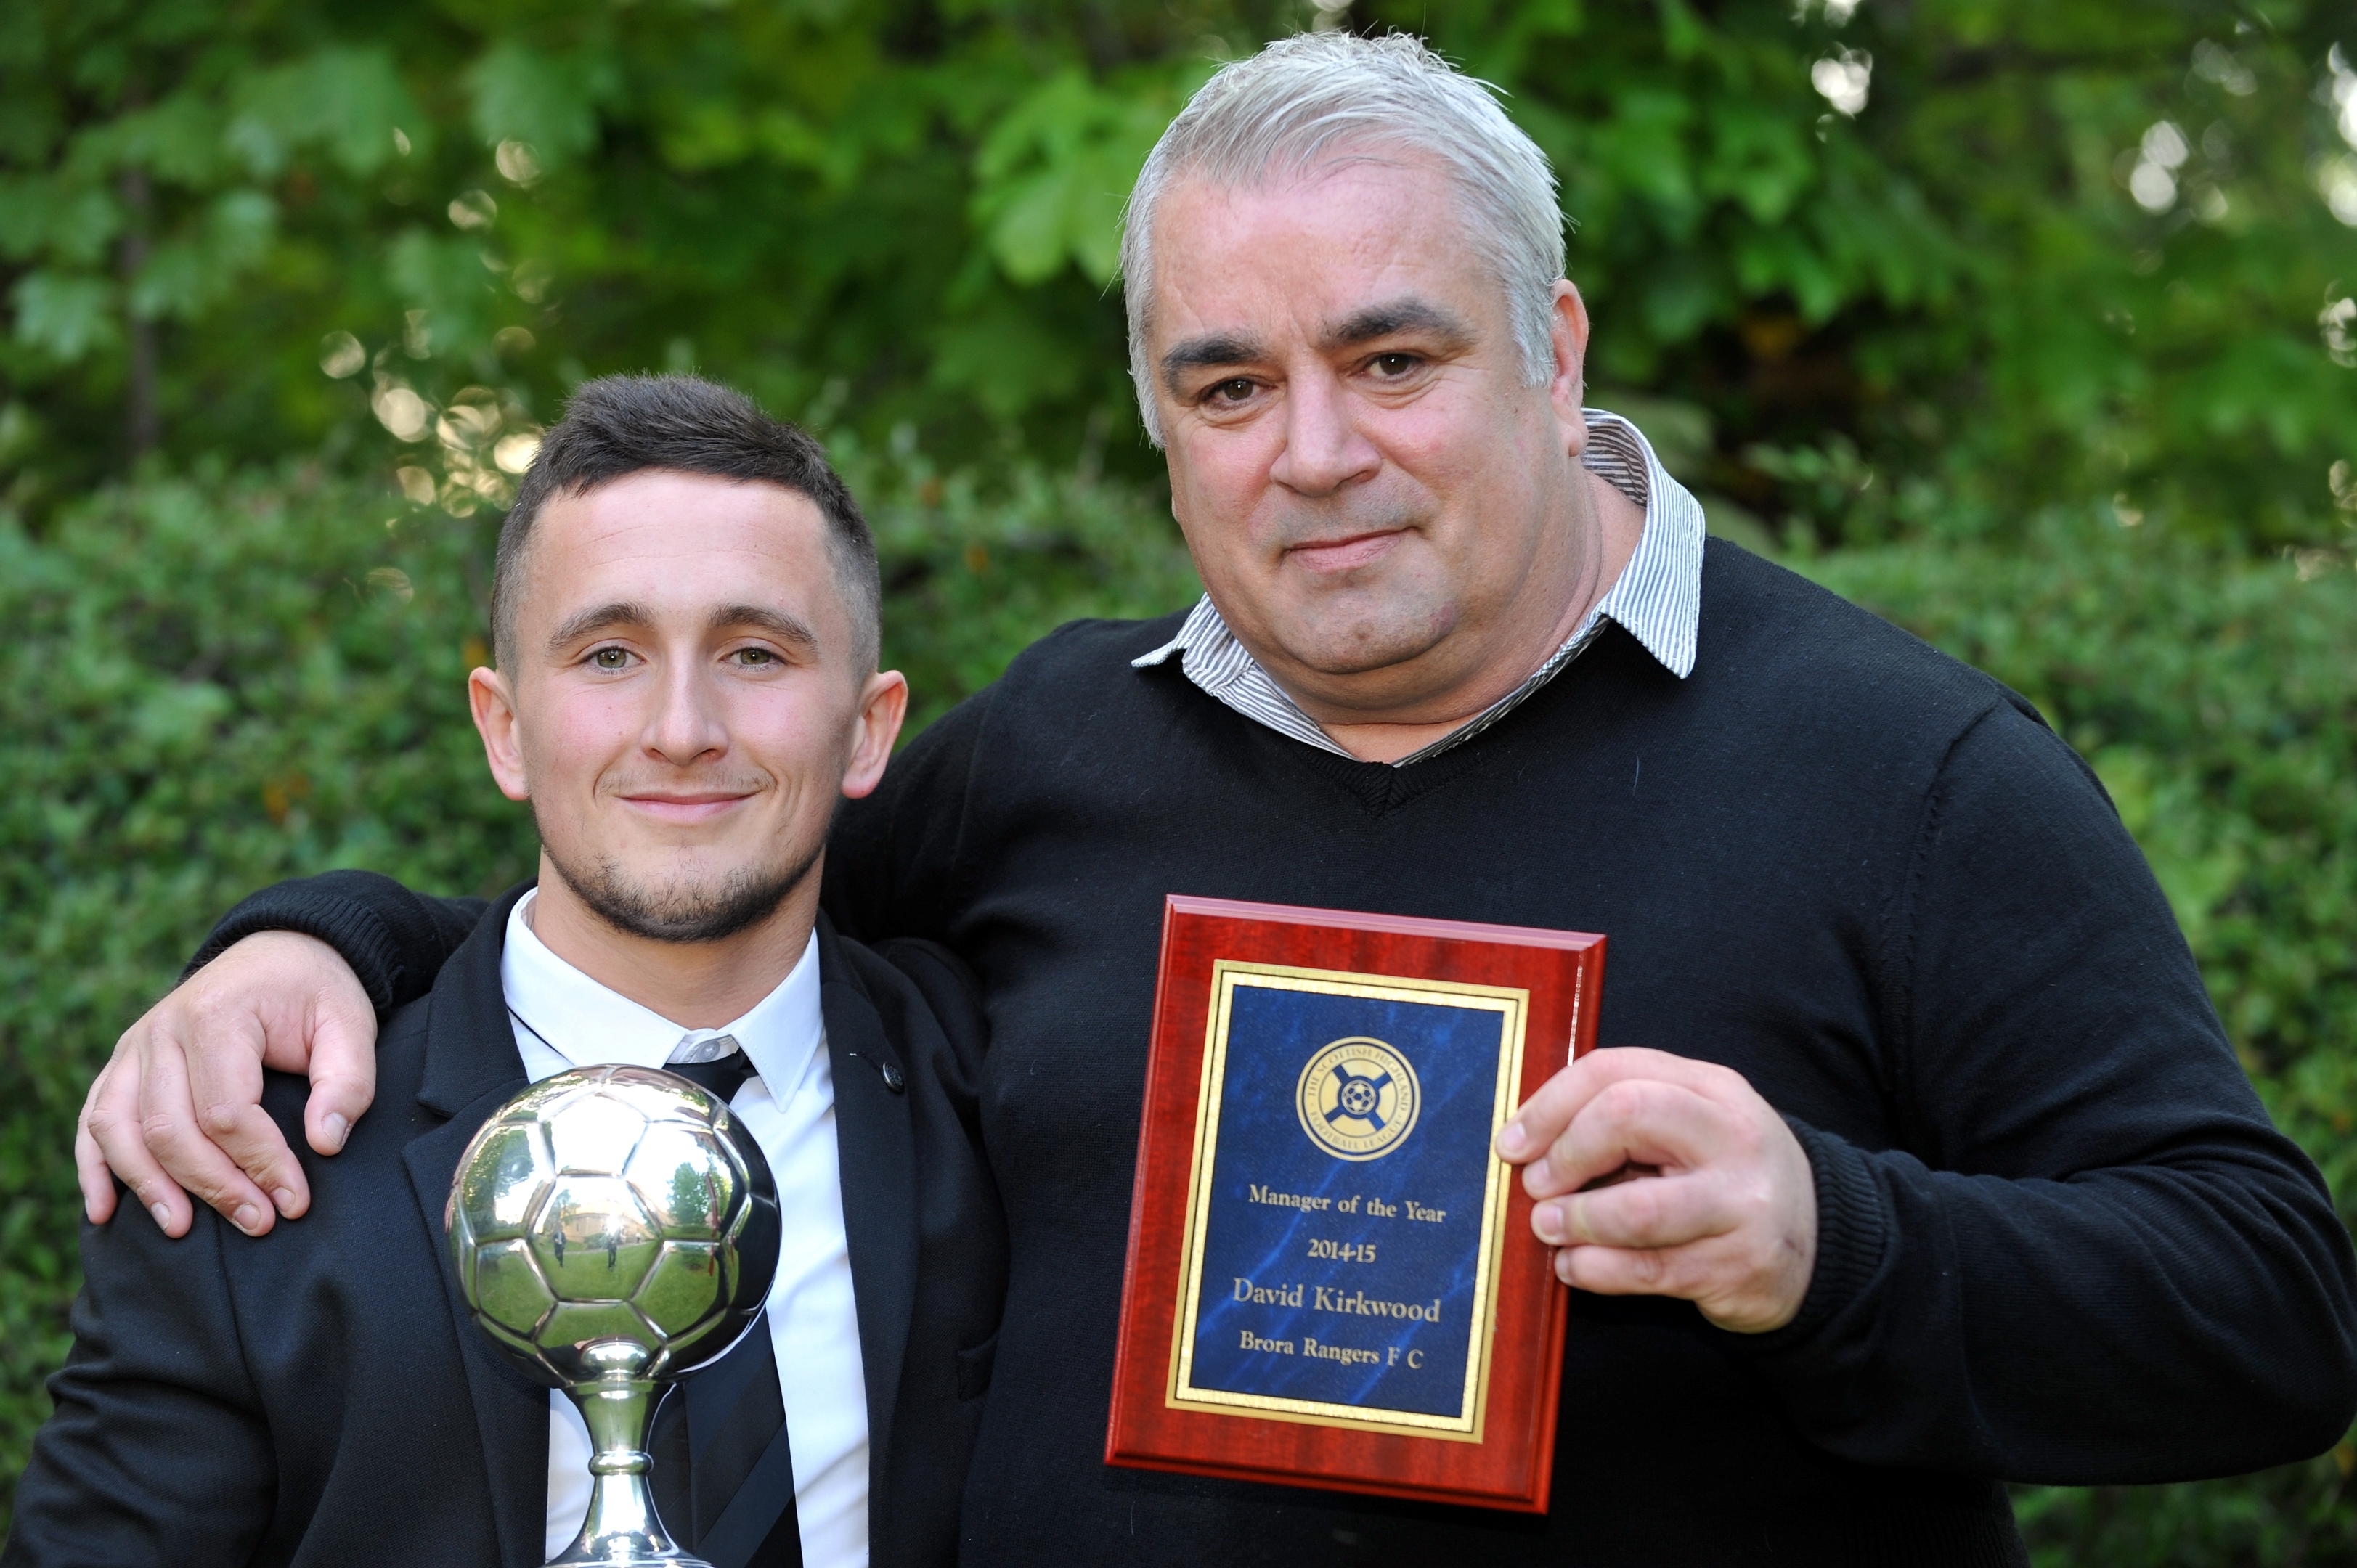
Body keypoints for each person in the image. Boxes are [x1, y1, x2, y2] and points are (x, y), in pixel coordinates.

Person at [73, 31, 2357, 1568]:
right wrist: (315, 942)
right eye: (1227, 383)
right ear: (1159, 426)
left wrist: (1834, 1243)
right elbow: (691, 864)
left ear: (1551, 355)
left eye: (1391, 357)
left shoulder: (1903, 775)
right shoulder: (1064, 748)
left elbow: (2266, 1309)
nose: (1314, 452)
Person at [11, 376, 1006, 1568]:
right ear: (502, 724)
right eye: (607, 654)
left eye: (753, 652)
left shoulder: (998, 1103)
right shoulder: (248, 1152)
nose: (681, 727)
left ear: (867, 727)